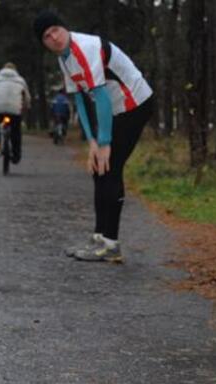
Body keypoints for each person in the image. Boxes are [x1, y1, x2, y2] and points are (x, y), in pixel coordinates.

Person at [33, 10, 154, 263]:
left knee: (110, 167)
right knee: (99, 168)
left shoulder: (85, 47)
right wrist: (91, 143)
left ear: (64, 28)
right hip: (116, 109)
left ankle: (111, 244)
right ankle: (99, 238)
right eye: (46, 36)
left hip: (135, 104)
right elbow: (80, 99)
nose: (53, 37)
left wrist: (105, 142)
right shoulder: (64, 59)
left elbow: (99, 97)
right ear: (44, 44)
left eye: (55, 29)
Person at [0, 62, 30, 164]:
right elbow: (27, 97)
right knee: (16, 132)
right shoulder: (21, 80)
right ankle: (16, 155)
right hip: (15, 109)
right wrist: (25, 107)